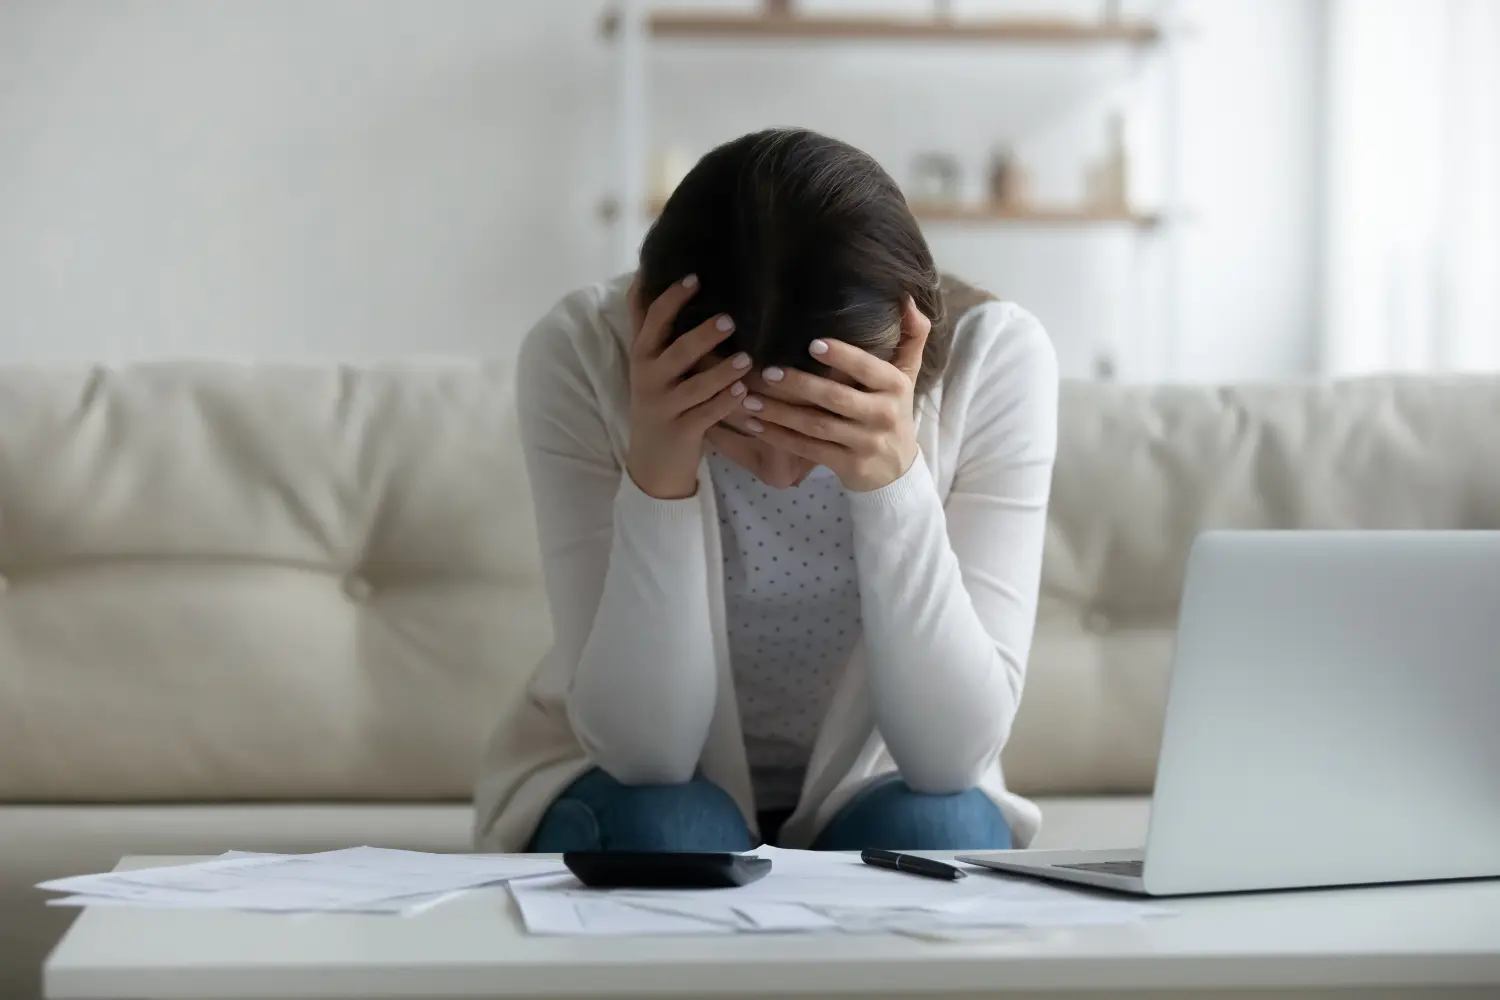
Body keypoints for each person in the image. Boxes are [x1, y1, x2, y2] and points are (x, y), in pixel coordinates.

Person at [474, 128, 1058, 854]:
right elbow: (646, 756)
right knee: (675, 830)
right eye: (738, 431)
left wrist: (892, 484)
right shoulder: (584, 355)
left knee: (943, 829)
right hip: (624, 786)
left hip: (887, 784)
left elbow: (950, 761)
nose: (779, 474)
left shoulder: (994, 358)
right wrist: (659, 472)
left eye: (822, 427)